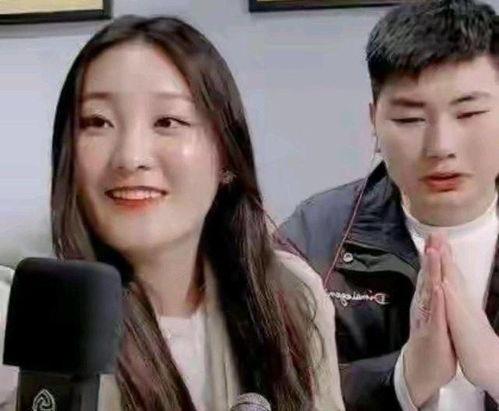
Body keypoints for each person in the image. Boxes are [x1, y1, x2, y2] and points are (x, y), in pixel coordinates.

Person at [0, 16, 344, 411]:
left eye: (167, 122)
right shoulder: (21, 311)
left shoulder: (292, 296)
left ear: (226, 156)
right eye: (97, 122)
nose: (130, 157)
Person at [278, 0, 499, 410]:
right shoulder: (311, 242)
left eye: (468, 114)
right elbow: (275, 388)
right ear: (374, 123)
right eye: (410, 120)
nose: (441, 147)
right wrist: (404, 378)